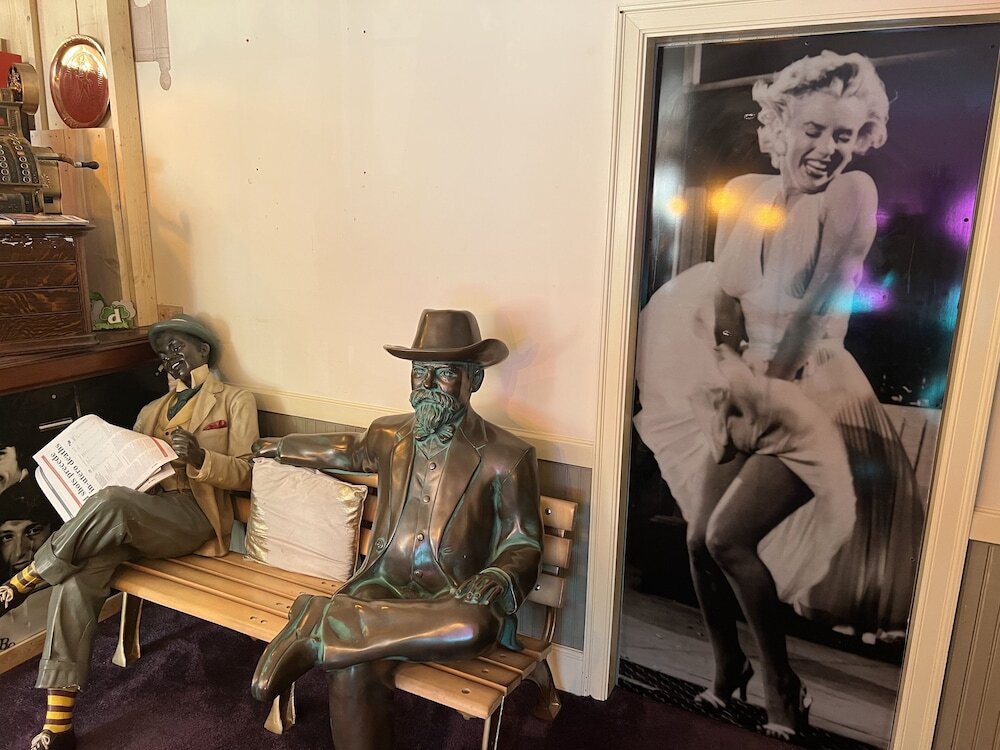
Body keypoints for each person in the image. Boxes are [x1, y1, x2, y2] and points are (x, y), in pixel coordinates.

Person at [633, 51, 924, 740]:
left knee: (728, 538)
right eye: (816, 130)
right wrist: (729, 370)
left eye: (846, 135)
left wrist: (757, 396)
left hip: (814, 398)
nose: (830, 149)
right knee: (699, 541)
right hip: (749, 388)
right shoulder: (744, 191)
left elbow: (815, 308)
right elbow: (727, 300)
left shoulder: (852, 195)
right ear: (781, 124)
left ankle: (784, 688)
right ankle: (728, 670)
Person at [249, 309, 543, 750]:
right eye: (419, 372)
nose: (426, 385)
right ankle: (333, 626)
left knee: (474, 626)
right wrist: (279, 447)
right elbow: (345, 450)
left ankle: (322, 623)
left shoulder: (507, 454)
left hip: (452, 597)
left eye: (444, 373)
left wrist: (499, 575)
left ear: (475, 378)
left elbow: (524, 541)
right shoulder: (389, 435)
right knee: (352, 664)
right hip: (381, 586)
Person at [0, 314, 259, 750]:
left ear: (203, 351)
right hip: (140, 515)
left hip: (194, 515)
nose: (170, 357)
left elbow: (250, 474)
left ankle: (27, 578)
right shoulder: (150, 411)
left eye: (178, 346)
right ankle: (58, 725)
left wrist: (200, 458)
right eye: (163, 352)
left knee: (113, 503)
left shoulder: (234, 400)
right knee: (77, 574)